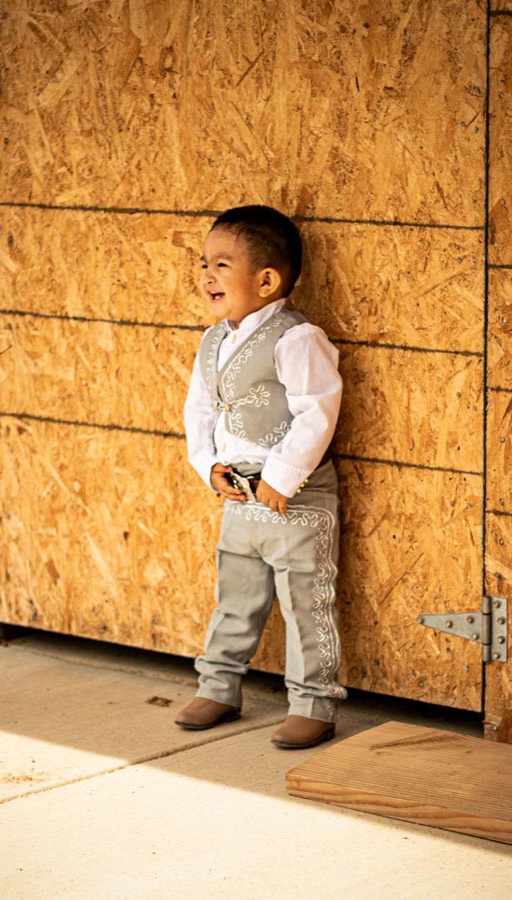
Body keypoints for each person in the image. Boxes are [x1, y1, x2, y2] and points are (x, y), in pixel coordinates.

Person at [176, 204, 347, 749]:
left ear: (267, 280)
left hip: (293, 498)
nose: (206, 275)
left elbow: (318, 409)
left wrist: (284, 474)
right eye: (204, 263)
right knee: (236, 595)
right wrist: (208, 467)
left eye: (222, 265)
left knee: (305, 600)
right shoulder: (213, 342)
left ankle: (314, 703)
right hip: (239, 495)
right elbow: (198, 412)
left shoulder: (295, 339)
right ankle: (220, 686)